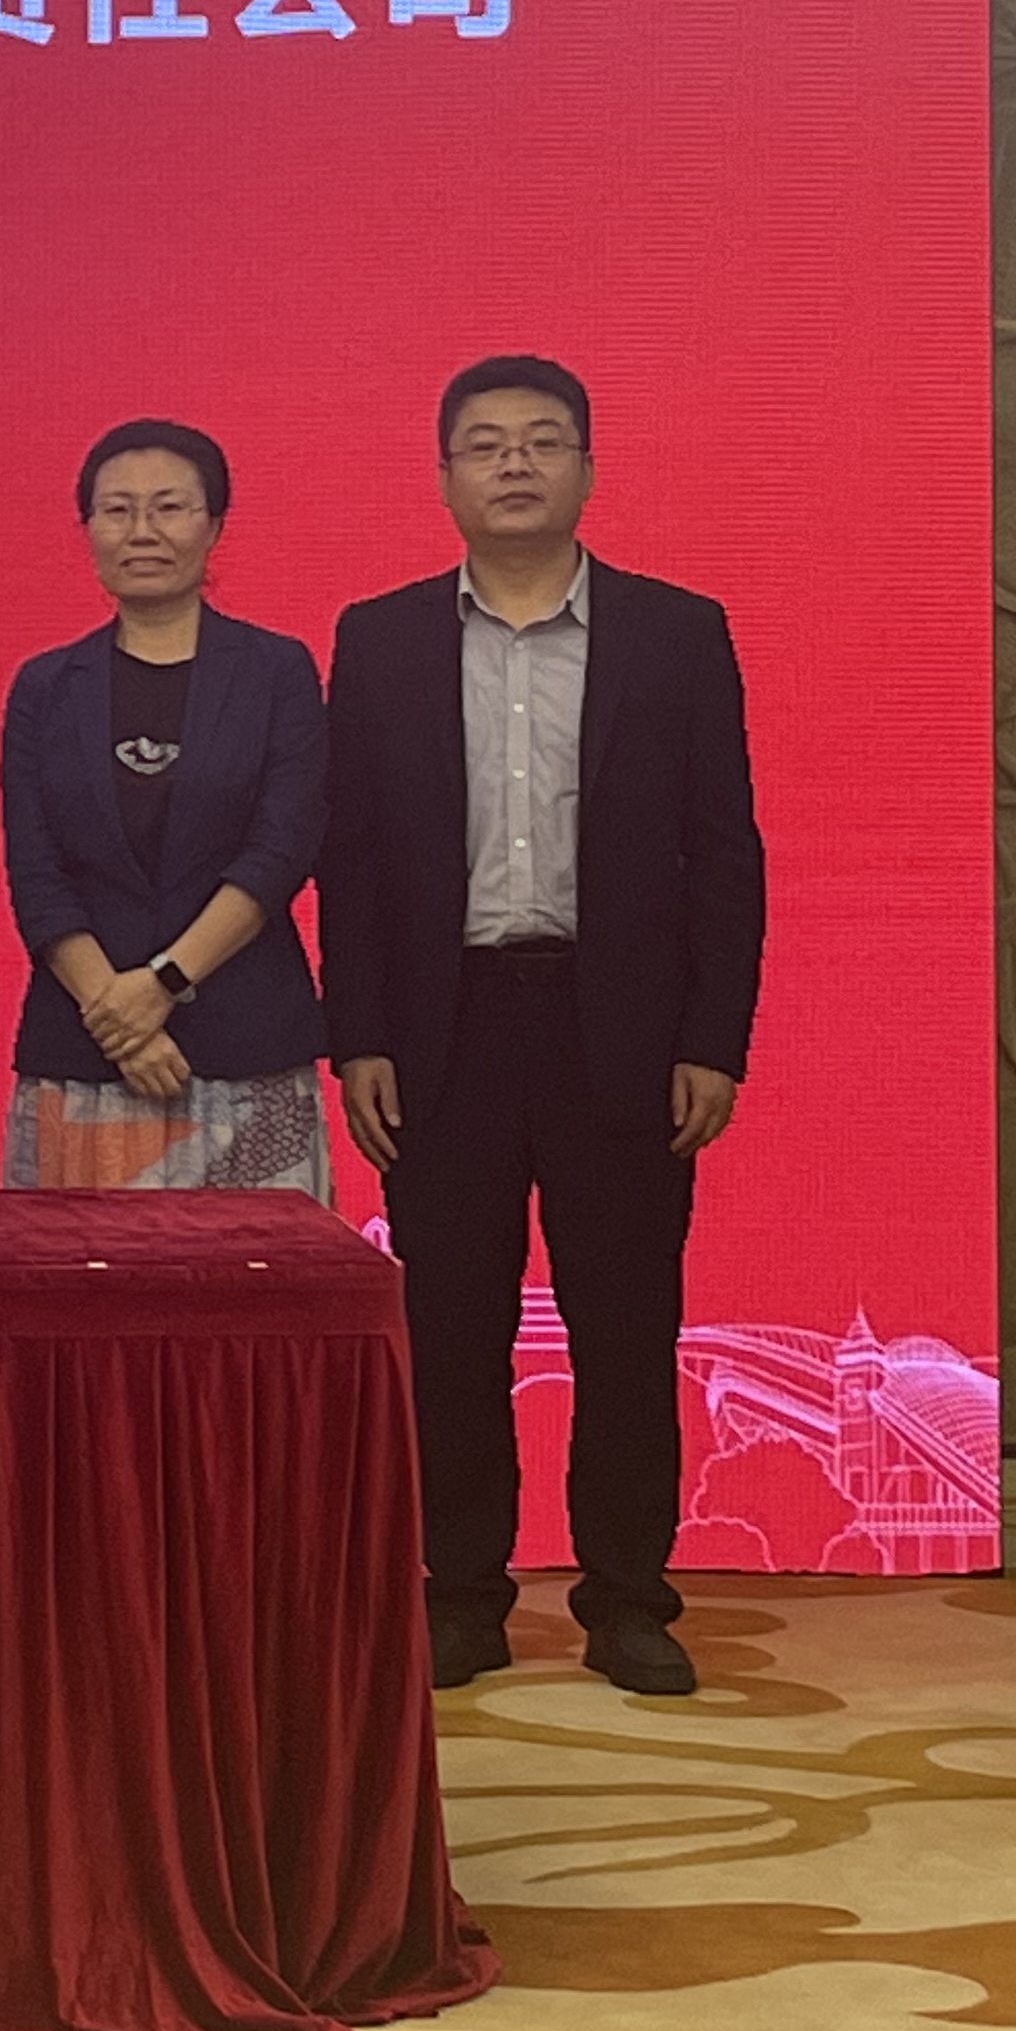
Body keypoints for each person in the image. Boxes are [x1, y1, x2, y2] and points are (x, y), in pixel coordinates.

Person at [320, 354, 765, 1701]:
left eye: (542, 440)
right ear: (444, 476)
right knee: (451, 1331)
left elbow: (725, 852)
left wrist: (714, 1038)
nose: (514, 463)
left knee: (625, 1328)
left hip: (616, 1028)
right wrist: (360, 1033)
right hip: (445, 1030)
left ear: (587, 468)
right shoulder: (382, 638)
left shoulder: (676, 632)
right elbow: (352, 857)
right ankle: (462, 1596)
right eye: (485, 443)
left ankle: (628, 1601)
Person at [0, 419, 331, 1197]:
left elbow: (280, 850)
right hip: (83, 1051)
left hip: (244, 1046)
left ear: (213, 524)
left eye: (169, 507)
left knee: (255, 1278)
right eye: (117, 510)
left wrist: (162, 984)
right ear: (88, 528)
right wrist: (113, 1013)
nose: (142, 531)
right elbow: (37, 874)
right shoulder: (45, 686)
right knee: (77, 1276)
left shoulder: (277, 671)